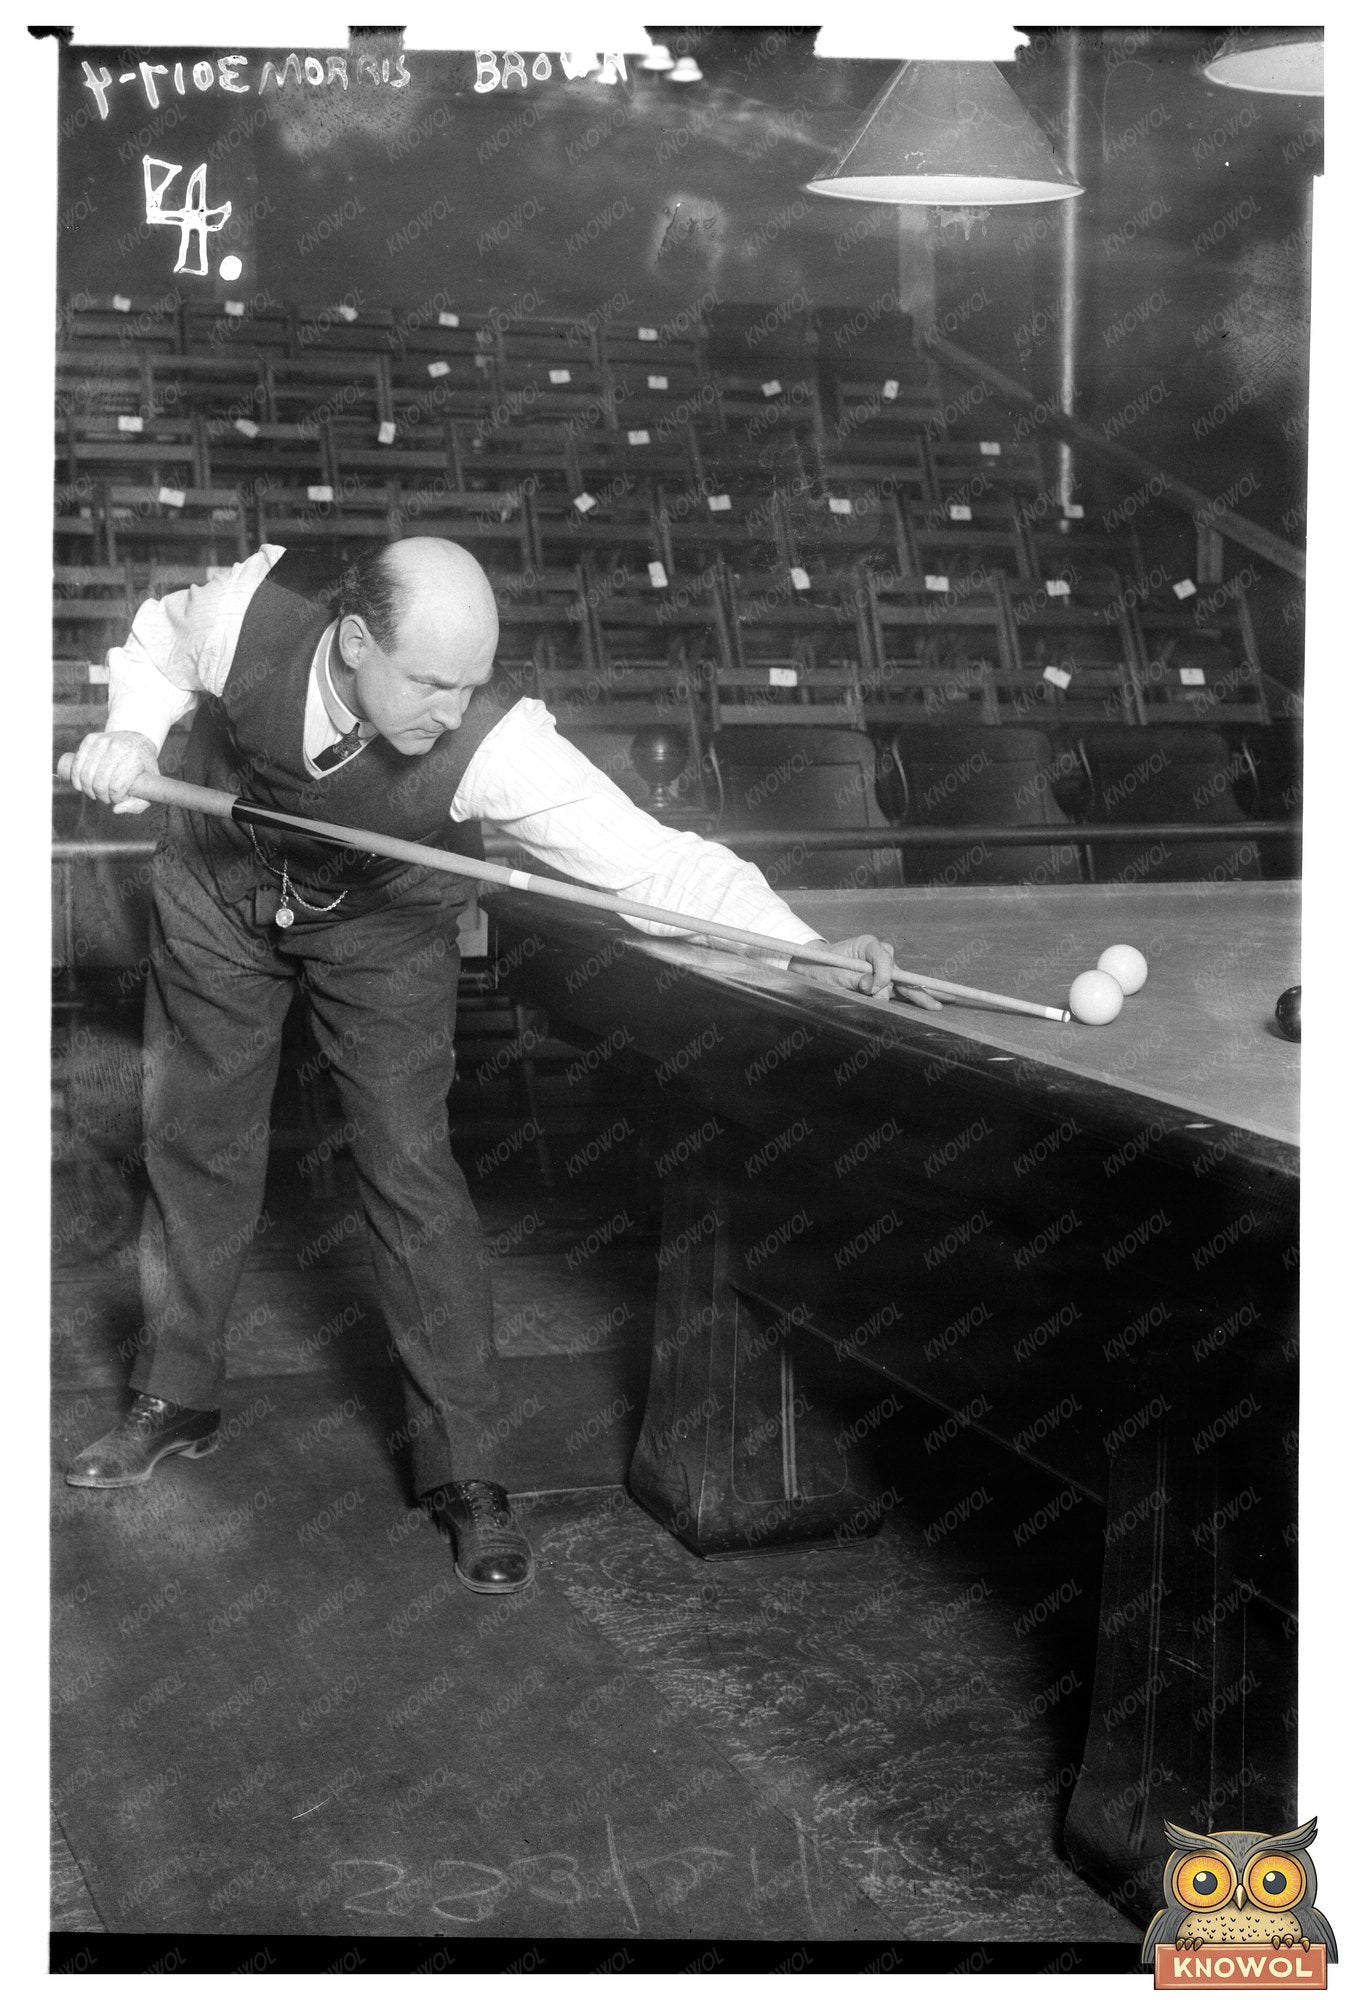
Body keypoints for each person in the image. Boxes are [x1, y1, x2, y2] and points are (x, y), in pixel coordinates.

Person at [63, 538, 897, 1594]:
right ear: (355, 642)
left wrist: (797, 943)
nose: (454, 710)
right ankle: (173, 1393)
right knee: (196, 1140)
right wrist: (128, 736)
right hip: (219, 890)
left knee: (410, 1171)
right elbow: (152, 642)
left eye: (470, 682)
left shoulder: (500, 742)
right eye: (430, 682)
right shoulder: (245, 610)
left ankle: (467, 1467)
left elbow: (652, 861)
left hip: (381, 924)